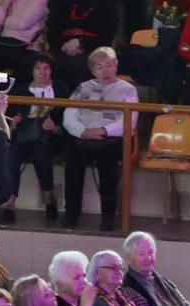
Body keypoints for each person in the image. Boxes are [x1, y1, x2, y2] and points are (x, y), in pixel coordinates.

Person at [60, 47, 134, 231]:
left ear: (116, 65)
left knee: (108, 167)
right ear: (93, 70)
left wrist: (103, 130)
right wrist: (83, 131)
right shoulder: (83, 87)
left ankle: (108, 216)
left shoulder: (128, 90)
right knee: (72, 164)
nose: (105, 71)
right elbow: (69, 115)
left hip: (110, 139)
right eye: (100, 67)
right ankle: (71, 213)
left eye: (109, 65)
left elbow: (129, 121)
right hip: (84, 136)